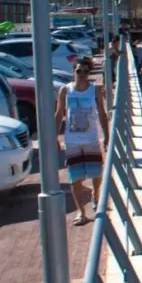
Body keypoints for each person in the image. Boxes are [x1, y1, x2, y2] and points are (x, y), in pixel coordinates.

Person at [55, 57, 109, 226]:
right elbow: (59, 115)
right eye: (79, 71)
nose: (82, 74)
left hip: (91, 138)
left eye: (86, 71)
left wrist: (107, 135)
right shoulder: (65, 90)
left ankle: (96, 194)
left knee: (96, 173)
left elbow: (102, 113)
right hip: (72, 141)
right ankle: (81, 211)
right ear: (74, 71)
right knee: (75, 177)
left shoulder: (95, 90)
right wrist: (54, 137)